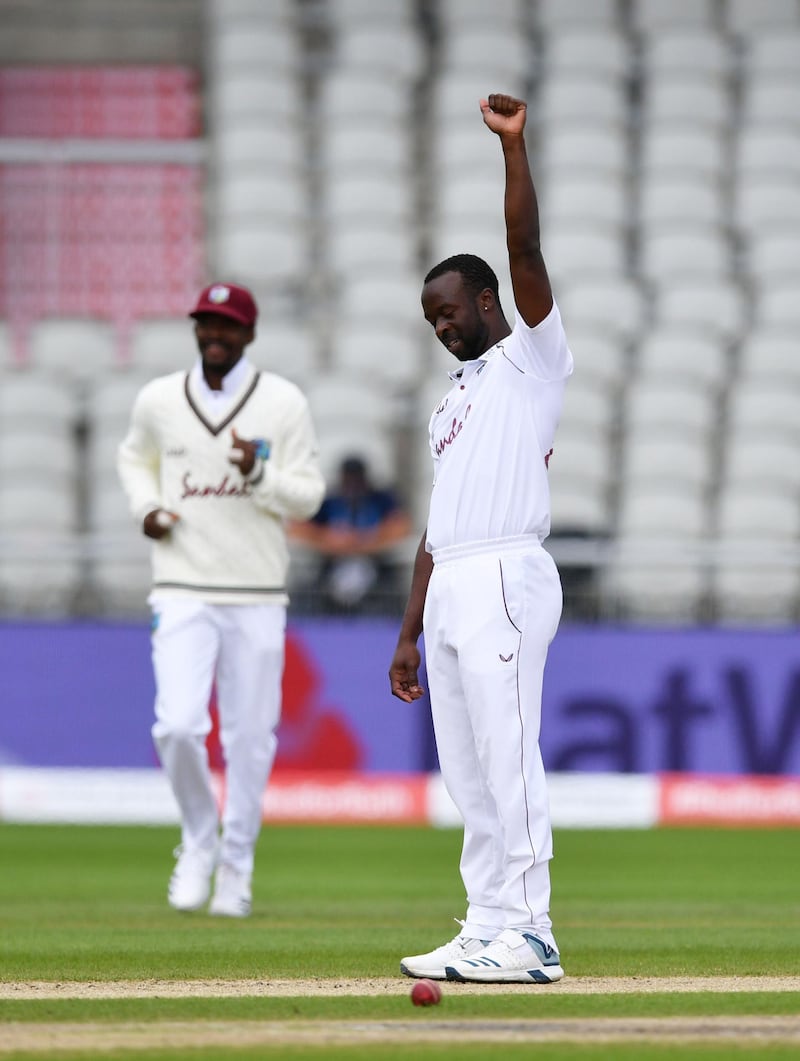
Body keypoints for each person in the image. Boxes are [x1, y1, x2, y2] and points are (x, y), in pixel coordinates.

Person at [388, 94, 574, 984]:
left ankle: (532, 933)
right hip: (455, 577)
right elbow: (434, 524)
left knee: (507, 748)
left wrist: (514, 148)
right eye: (432, 319)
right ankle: (488, 922)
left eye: (450, 310)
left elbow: (527, 247)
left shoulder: (530, 359)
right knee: (466, 769)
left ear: (489, 300)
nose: (443, 326)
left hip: (507, 569)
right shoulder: (455, 401)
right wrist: (407, 625)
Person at [117, 281, 325, 918]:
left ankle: (237, 864)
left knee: (250, 739)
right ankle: (199, 842)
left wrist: (258, 474)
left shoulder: (282, 403)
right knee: (176, 726)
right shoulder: (159, 399)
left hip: (256, 592)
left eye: (227, 326)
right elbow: (134, 458)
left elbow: (309, 496)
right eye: (205, 324)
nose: (214, 335)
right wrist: (147, 507)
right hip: (181, 586)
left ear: (250, 334)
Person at [289, 454, 413, 612]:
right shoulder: (330, 501)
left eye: (357, 478)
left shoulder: (381, 499)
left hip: (376, 566)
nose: (353, 483)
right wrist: (328, 541)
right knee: (306, 593)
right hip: (331, 566)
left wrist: (362, 542)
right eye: (348, 478)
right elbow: (298, 528)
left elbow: (401, 526)